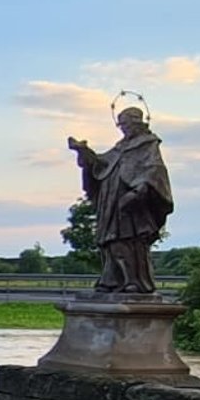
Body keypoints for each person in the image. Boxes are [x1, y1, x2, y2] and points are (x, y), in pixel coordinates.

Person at [67, 107, 174, 294]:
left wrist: (140, 189)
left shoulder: (147, 144)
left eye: (125, 124)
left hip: (131, 203)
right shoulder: (120, 147)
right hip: (111, 201)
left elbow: (155, 169)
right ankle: (111, 281)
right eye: (120, 124)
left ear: (137, 122)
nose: (122, 128)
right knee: (110, 241)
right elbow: (102, 165)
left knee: (127, 240)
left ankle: (134, 281)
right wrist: (85, 153)